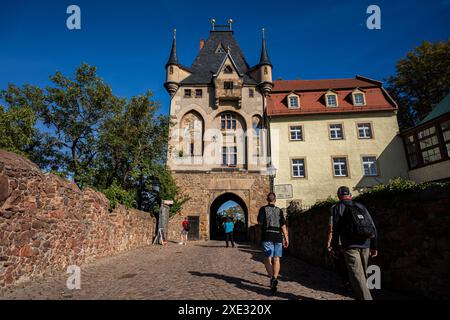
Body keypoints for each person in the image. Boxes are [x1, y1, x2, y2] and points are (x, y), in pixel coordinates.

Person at [327, 186, 378, 300]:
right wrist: (374, 246)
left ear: (339, 196)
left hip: (350, 245)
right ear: (350, 195)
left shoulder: (337, 207)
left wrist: (334, 247)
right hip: (366, 243)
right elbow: (372, 226)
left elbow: (336, 229)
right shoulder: (360, 206)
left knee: (357, 275)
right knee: (363, 274)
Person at [257, 192, 289, 294]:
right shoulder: (279, 211)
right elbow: (283, 225)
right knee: (276, 259)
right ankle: (275, 277)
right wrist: (286, 238)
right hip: (278, 237)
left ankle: (272, 279)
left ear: (267, 199)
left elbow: (260, 222)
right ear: (275, 200)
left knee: (267, 260)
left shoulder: (263, 209)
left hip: (267, 236)